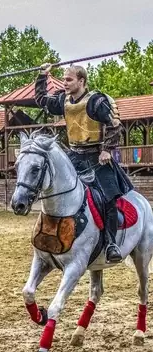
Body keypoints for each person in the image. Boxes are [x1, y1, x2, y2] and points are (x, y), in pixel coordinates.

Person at [35, 64, 133, 264]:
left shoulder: (96, 101)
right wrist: (42, 75)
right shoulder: (64, 100)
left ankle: (111, 243)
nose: (65, 83)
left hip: (97, 158)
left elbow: (115, 127)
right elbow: (41, 99)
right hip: (74, 156)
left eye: (69, 80)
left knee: (108, 198)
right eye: (64, 79)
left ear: (82, 81)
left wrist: (107, 149)